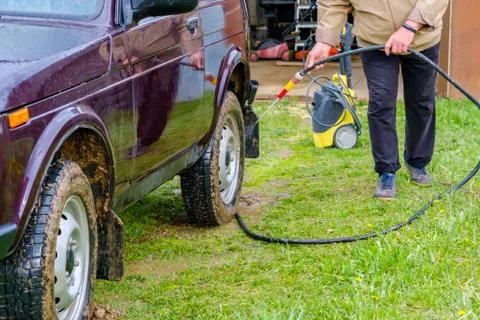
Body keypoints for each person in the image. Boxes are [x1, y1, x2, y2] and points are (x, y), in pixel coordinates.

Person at [306, 0, 449, 200]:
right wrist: (325, 41)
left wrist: (410, 26)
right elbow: (334, 3)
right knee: (381, 103)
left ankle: (417, 162)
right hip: (375, 41)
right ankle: (386, 171)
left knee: (422, 101)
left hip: (422, 38)